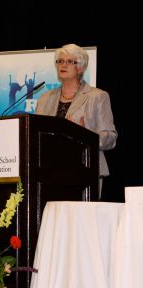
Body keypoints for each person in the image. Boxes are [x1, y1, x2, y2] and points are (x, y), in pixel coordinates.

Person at [35, 43, 117, 198]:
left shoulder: (97, 96)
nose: (63, 65)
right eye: (60, 61)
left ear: (80, 68)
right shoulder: (45, 98)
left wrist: (86, 134)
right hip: (49, 172)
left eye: (69, 61)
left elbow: (111, 138)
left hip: (84, 170)